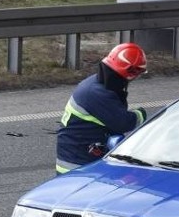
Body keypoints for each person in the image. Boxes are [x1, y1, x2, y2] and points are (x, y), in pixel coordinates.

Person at [55, 43, 148, 173]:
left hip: (77, 157)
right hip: (76, 165)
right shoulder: (99, 94)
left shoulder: (99, 83)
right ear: (131, 72)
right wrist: (141, 114)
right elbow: (124, 123)